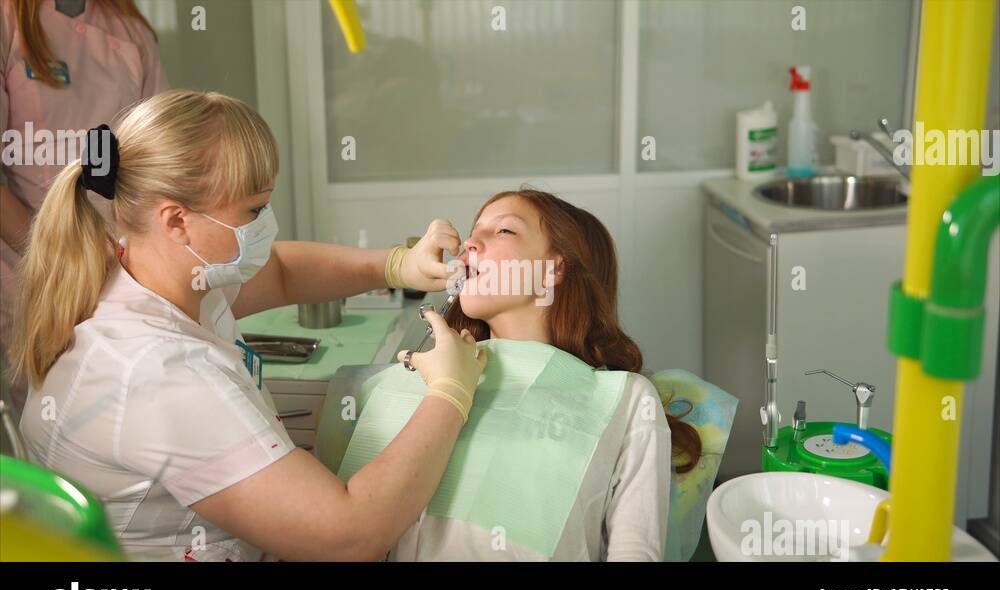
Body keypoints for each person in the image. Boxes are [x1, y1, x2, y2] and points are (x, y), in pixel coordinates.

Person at [11, 89, 487, 561]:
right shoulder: (156, 372)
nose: (266, 225)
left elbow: (280, 272)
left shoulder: (151, 272)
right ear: (177, 220)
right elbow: (348, 535)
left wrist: (394, 265)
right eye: (253, 211)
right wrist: (449, 395)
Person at [347, 189, 701, 561]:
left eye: (503, 231)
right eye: (474, 230)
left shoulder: (627, 399)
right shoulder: (429, 375)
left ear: (555, 268)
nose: (469, 243)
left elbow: (635, 552)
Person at [1, 0, 169, 413]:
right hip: (36, 272)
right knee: (59, 418)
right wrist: (63, 264)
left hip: (124, 267)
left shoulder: (128, 28)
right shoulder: (8, 25)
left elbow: (159, 154)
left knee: (132, 415)